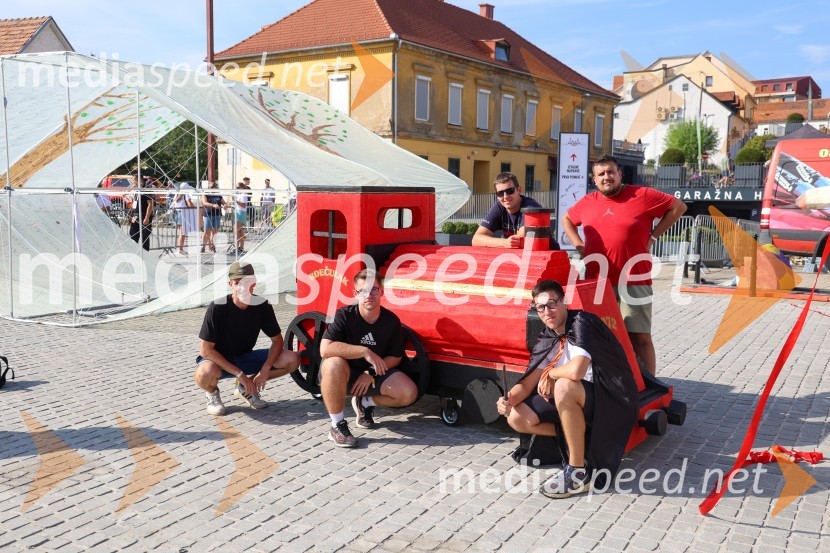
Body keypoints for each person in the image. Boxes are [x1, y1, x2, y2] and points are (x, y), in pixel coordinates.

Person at [496, 280, 638, 498]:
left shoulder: (582, 323)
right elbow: (528, 382)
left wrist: (551, 373)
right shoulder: (548, 336)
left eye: (552, 304)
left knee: (563, 385)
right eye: (540, 307)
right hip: (575, 400)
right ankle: (580, 437)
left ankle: (577, 472)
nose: (547, 312)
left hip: (610, 399)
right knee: (516, 417)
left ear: (564, 301)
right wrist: (508, 399)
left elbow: (576, 371)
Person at [562, 154, 686, 376]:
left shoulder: (642, 195)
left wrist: (653, 237)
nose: (606, 177)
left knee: (639, 337)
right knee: (601, 335)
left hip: (634, 278)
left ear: (620, 174)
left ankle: (648, 383)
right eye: (601, 174)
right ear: (594, 179)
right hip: (598, 282)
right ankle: (608, 382)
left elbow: (678, 207)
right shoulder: (588, 202)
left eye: (611, 172)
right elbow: (567, 220)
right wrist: (579, 245)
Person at [319, 269, 418, 448]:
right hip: (342, 375)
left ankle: (364, 402)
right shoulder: (344, 315)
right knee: (333, 363)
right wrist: (364, 351)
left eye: (373, 289)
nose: (369, 295)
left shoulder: (391, 321)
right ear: (355, 294)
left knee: (408, 393)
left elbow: (395, 357)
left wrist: (370, 373)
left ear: (381, 291)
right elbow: (325, 349)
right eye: (363, 291)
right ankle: (337, 425)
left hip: (372, 376)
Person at [194, 261, 300, 415]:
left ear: (254, 283)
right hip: (218, 361)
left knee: (292, 359)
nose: (242, 287)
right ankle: (212, 393)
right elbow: (205, 350)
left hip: (244, 357)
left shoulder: (262, 305)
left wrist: (265, 369)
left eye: (247, 282)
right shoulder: (217, 307)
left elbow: (277, 341)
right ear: (230, 284)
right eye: (237, 283)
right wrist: (240, 375)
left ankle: (246, 388)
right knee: (204, 373)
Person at [472, 172, 557, 249]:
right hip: (526, 257)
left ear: (519, 190)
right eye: (500, 193)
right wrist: (504, 243)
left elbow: (521, 242)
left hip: (549, 257)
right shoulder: (499, 207)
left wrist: (503, 243)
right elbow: (476, 239)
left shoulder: (531, 207)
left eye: (510, 191)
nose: (505, 197)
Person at [128, 181, 155, 252]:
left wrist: (147, 217)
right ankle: (134, 252)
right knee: (133, 235)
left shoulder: (146, 192)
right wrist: (131, 215)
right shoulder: (136, 192)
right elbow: (134, 205)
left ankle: (145, 253)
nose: (133, 183)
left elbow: (150, 205)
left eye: (134, 181)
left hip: (143, 215)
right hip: (136, 215)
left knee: (144, 236)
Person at [201, 181, 225, 253]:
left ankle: (212, 246)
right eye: (215, 187)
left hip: (217, 214)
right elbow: (204, 202)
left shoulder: (219, 195)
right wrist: (212, 205)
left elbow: (224, 202)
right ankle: (203, 246)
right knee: (206, 231)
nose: (216, 188)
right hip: (208, 214)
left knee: (214, 231)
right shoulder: (205, 194)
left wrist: (225, 205)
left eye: (216, 187)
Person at [234, 181, 250, 254]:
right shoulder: (241, 195)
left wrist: (236, 202)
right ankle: (241, 247)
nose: (236, 189)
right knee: (240, 232)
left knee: (236, 231)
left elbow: (244, 205)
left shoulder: (243, 195)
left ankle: (237, 247)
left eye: (238, 187)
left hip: (241, 213)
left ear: (242, 187)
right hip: (240, 213)